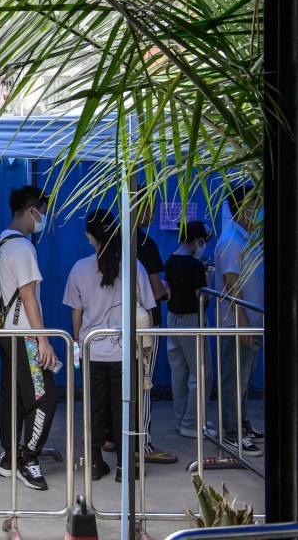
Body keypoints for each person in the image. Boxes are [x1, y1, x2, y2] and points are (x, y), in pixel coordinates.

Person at [65, 209, 157, 482]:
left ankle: (94, 464)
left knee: (94, 409)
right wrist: (147, 344)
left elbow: (76, 313)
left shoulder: (80, 268)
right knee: (124, 408)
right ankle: (125, 467)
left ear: (89, 236)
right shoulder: (133, 266)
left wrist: (79, 343)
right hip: (126, 352)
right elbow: (147, 310)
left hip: (93, 351)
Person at [0, 185, 58, 491]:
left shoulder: (1, 242)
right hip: (25, 336)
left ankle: (9, 456)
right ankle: (28, 457)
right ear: (32, 210)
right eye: (42, 213)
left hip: (7, 334)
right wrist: (42, 339)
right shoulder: (22, 248)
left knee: (13, 396)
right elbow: (28, 297)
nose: (42, 218)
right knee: (44, 397)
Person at [215, 183, 264, 456]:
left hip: (252, 322)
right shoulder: (231, 241)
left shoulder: (245, 237)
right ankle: (232, 433)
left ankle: (242, 425)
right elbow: (231, 284)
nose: (257, 211)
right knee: (234, 379)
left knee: (244, 378)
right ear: (242, 208)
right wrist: (243, 322)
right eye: (254, 206)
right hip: (238, 324)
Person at [133, 195, 177, 464]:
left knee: (120, 381)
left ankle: (113, 436)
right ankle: (143, 443)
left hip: (116, 324)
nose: (154, 212)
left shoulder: (116, 240)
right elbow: (155, 289)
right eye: (151, 206)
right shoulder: (146, 244)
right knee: (144, 383)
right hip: (146, 323)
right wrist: (167, 290)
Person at [165, 220, 214, 438]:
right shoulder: (195, 266)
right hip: (192, 320)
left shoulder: (171, 260)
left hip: (172, 318)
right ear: (198, 241)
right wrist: (208, 280)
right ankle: (192, 423)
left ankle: (180, 419)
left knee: (179, 372)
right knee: (201, 373)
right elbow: (200, 298)